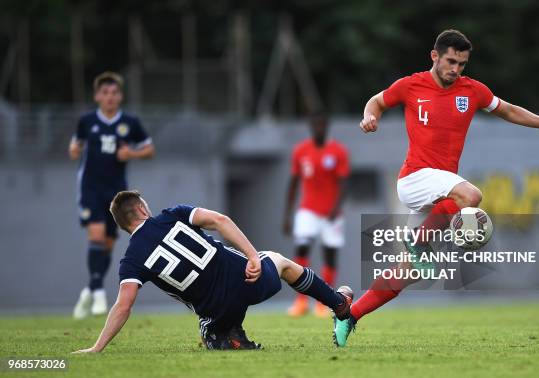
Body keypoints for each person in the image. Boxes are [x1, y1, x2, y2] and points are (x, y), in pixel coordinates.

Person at [333, 29, 539, 347]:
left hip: (438, 190)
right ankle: (418, 242)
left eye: (462, 64)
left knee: (408, 273)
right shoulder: (411, 85)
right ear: (434, 56)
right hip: (414, 179)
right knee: (471, 196)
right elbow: (377, 101)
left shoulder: (473, 91)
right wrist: (369, 117)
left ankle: (349, 316)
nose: (456, 69)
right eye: (451, 61)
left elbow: (507, 110)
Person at [72, 190, 353, 352]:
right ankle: (339, 305)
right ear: (143, 208)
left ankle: (226, 333)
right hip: (248, 282)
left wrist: (97, 347)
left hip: (214, 310)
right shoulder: (173, 214)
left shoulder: (131, 259)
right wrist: (253, 256)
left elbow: (124, 305)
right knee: (279, 261)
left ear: (123, 225)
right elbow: (219, 220)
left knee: (209, 316)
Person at [69, 72, 155, 319]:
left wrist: (132, 154)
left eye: (114, 93)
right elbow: (75, 148)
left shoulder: (129, 122)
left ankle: (90, 287)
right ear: (97, 96)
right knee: (95, 235)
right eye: (105, 93)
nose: (110, 97)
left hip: (117, 193)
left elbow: (149, 149)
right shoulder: (86, 121)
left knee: (107, 243)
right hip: (90, 188)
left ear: (120, 96)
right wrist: (74, 150)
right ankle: (98, 292)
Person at [282, 115, 350, 317]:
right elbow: (293, 183)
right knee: (301, 248)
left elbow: (345, 184)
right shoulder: (301, 151)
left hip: (332, 214)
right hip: (307, 210)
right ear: (311, 126)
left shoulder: (337, 151)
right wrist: (287, 215)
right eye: (315, 124)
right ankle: (301, 301)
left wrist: (335, 208)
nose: (319, 127)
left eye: (322, 124)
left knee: (330, 255)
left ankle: (323, 302)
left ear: (326, 126)